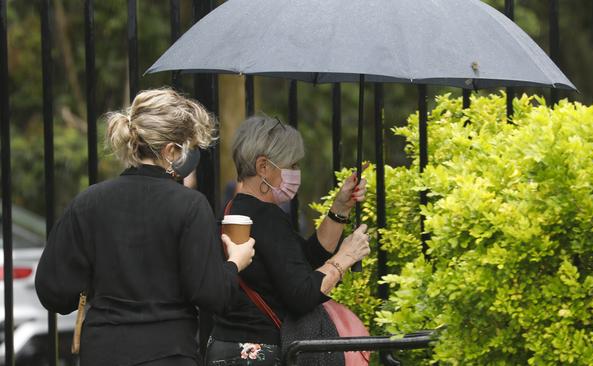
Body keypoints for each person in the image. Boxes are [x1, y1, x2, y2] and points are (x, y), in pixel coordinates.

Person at [35, 88, 255, 366]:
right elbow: (211, 294)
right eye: (190, 146)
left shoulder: (88, 202)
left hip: (102, 352)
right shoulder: (189, 205)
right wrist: (235, 263)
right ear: (171, 150)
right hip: (168, 353)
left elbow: (54, 291)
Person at [205, 116, 371, 365]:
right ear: (263, 167)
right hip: (261, 351)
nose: (296, 172)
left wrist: (340, 209)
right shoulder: (266, 216)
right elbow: (302, 293)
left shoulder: (238, 209)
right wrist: (346, 257)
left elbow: (304, 261)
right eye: (291, 164)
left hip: (228, 348)